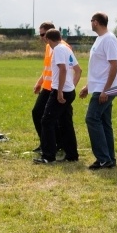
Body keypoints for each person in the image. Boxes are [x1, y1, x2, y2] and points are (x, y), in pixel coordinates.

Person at [79, 12, 117, 170]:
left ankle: (103, 159)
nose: (90, 23)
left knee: (92, 118)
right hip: (98, 87)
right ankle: (109, 159)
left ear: (96, 22)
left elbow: (114, 66)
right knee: (104, 123)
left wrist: (106, 90)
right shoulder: (99, 39)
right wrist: (88, 86)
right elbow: (98, 68)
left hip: (105, 89)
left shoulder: (109, 39)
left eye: (91, 21)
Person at [35, 29, 81, 164]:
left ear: (49, 40)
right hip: (69, 90)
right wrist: (70, 86)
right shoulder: (67, 49)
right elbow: (78, 69)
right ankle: (72, 155)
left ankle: (48, 156)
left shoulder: (58, 50)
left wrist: (60, 91)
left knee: (46, 121)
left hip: (59, 91)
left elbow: (62, 69)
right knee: (65, 123)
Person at [31, 22, 71, 153]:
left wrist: (63, 89)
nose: (41, 37)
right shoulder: (49, 47)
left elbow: (68, 69)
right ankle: (48, 143)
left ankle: (54, 145)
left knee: (53, 118)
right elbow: (47, 69)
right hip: (47, 87)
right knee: (40, 114)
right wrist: (39, 82)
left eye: (43, 34)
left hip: (56, 88)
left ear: (49, 33)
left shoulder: (62, 47)